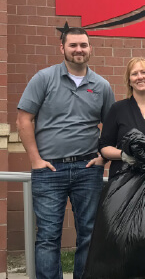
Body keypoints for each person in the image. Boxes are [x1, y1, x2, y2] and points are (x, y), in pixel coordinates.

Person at [16, 27, 115, 279]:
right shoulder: (43, 78)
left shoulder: (102, 85)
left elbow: (112, 128)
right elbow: (24, 119)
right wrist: (35, 160)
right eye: (73, 45)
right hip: (49, 171)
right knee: (48, 237)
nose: (78, 50)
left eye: (83, 45)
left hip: (87, 170)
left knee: (89, 234)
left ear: (90, 48)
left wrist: (102, 158)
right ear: (62, 48)